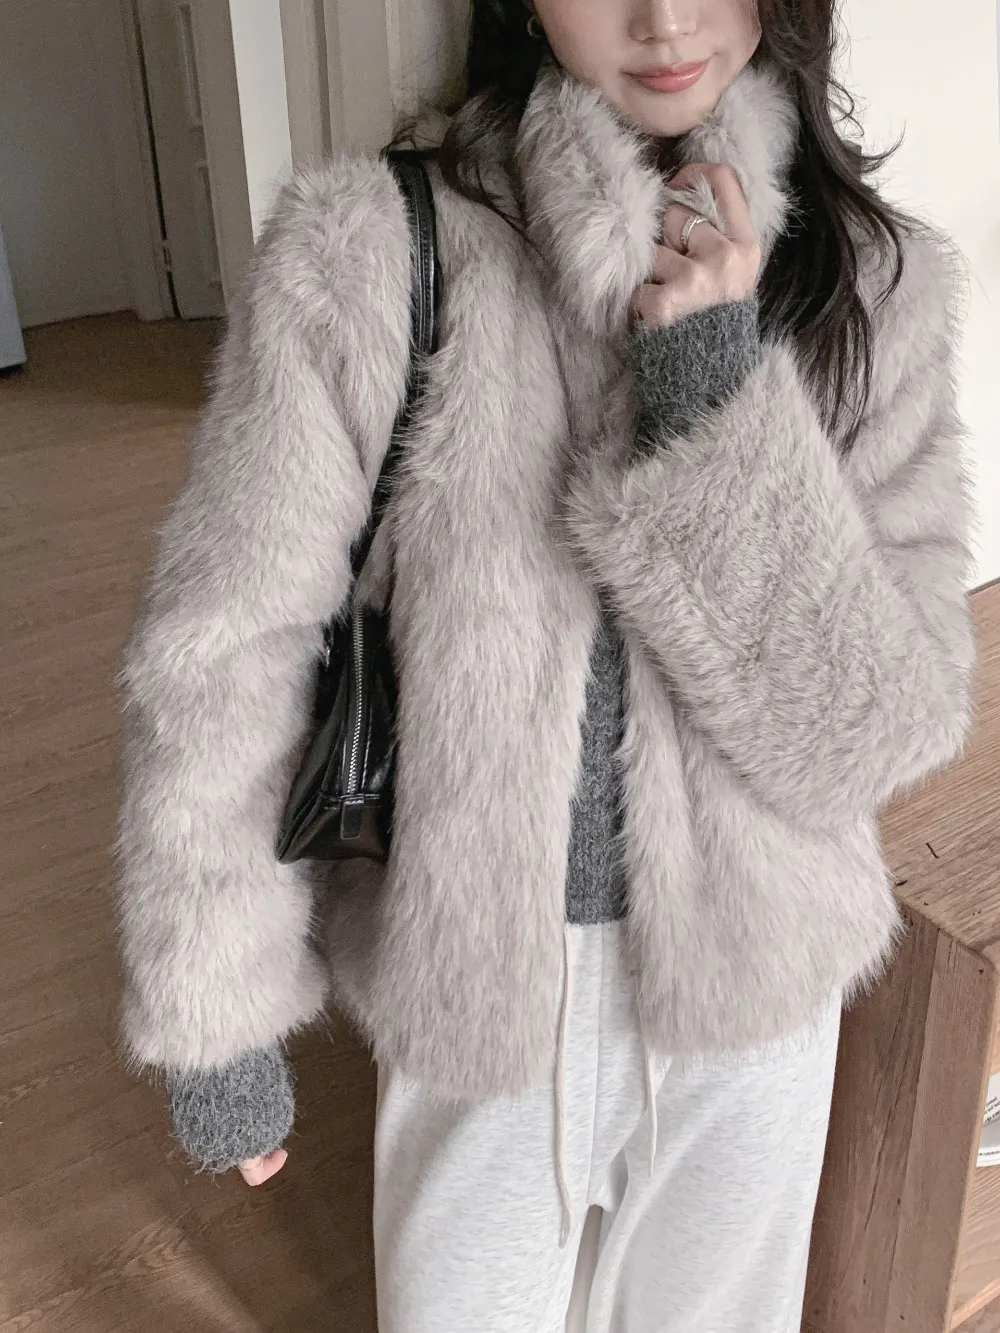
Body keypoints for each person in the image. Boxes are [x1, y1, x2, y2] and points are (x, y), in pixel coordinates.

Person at [113, 0, 979, 1328]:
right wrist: (212, 1000)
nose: (664, 18)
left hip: (758, 991)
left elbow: (880, 724)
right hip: (476, 985)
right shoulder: (365, 251)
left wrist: (714, 395)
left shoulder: (875, 281)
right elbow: (227, 647)